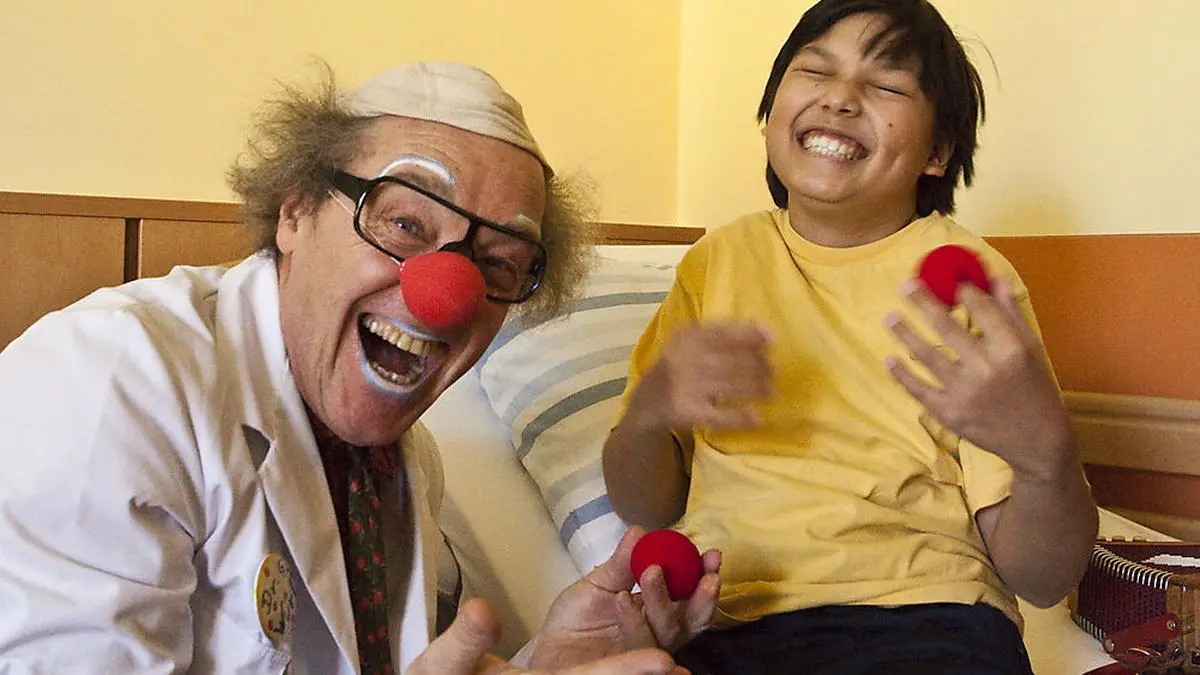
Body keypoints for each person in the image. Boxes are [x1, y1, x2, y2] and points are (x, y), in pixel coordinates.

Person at [0, 61, 720, 674]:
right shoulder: (109, 379)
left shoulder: (408, 466)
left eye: (500, 261)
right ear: (295, 212)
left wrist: (548, 660)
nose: (448, 293)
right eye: (405, 224)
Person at [602, 1, 1098, 673]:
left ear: (937, 151)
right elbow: (646, 505)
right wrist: (649, 411)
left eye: (887, 85)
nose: (839, 98)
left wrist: (1047, 461)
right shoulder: (717, 261)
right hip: (727, 620)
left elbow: (1041, 579)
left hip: (928, 616)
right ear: (771, 112)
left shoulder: (969, 282)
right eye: (814, 71)